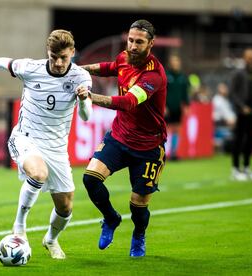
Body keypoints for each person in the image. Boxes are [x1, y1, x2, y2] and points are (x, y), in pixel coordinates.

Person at [0, 29, 93, 259]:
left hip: (57, 149)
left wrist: (82, 101)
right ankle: (19, 227)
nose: (58, 63)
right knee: (38, 173)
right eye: (53, 57)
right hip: (25, 137)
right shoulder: (31, 68)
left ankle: (50, 240)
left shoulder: (81, 78)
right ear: (47, 52)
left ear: (73, 53)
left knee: (66, 206)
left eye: (64, 58)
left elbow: (86, 116)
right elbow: (7, 63)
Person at [77, 19, 167, 257]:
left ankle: (138, 235)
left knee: (138, 205)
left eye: (139, 42)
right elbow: (109, 67)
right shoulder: (124, 57)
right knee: (90, 179)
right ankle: (111, 218)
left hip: (148, 146)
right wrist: (78, 69)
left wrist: (90, 97)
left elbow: (128, 103)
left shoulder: (154, 76)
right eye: (130, 40)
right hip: (119, 137)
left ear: (151, 44)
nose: (133, 46)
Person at [229, 47, 252, 181]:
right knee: (238, 139)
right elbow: (232, 93)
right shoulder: (238, 73)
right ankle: (235, 169)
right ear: (244, 58)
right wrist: (241, 107)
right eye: (249, 56)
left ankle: (247, 167)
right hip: (241, 111)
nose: (251, 59)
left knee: (250, 140)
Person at [165, 54, 190, 160]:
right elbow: (163, 92)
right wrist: (164, 106)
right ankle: (164, 152)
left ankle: (174, 153)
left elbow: (185, 93)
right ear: (170, 63)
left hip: (178, 108)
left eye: (177, 61)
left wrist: (187, 105)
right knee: (166, 130)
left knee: (177, 129)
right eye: (174, 61)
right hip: (167, 107)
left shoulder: (183, 77)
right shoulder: (166, 75)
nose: (176, 63)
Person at [212, 82, 236, 152]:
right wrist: (231, 120)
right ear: (219, 89)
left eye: (225, 88)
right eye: (223, 88)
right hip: (219, 123)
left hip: (226, 122)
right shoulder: (217, 100)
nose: (225, 90)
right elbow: (224, 114)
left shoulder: (225, 100)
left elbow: (229, 113)